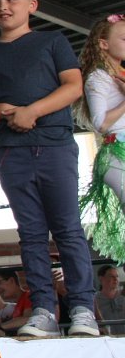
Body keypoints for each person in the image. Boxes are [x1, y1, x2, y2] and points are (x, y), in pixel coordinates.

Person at [0, 0, 98, 337]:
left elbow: (73, 87)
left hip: (54, 145)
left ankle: (82, 309)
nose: (3, 7)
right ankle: (43, 308)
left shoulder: (53, 42)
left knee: (68, 229)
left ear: (32, 4)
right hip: (10, 151)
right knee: (31, 232)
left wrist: (31, 111)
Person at [77, 14, 125, 265]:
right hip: (116, 154)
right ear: (104, 43)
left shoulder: (120, 74)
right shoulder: (98, 77)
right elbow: (100, 122)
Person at [96, 265, 125, 336]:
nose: (115, 279)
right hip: (107, 339)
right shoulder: (95, 299)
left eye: (117, 276)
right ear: (101, 279)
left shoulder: (123, 295)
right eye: (111, 276)